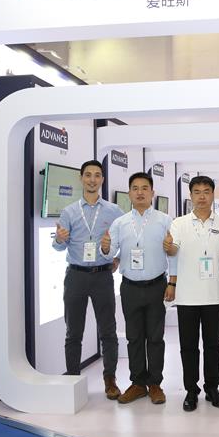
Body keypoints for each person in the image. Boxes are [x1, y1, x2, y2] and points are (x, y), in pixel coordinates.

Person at [101, 172, 176, 405]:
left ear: (152, 193)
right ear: (129, 193)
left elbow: (173, 253)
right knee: (134, 337)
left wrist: (172, 283)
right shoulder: (120, 222)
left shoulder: (165, 220)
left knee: (155, 338)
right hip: (130, 287)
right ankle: (137, 384)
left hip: (157, 285)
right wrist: (105, 248)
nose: (140, 192)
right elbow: (110, 253)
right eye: (135, 188)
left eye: (145, 188)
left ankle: (155, 384)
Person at [52, 159, 124, 400]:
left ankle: (110, 380)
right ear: (81, 178)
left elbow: (126, 238)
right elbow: (58, 246)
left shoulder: (114, 211)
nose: (92, 179)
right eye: (88, 175)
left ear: (102, 179)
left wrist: (118, 258)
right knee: (73, 332)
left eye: (97, 175)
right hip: (76, 276)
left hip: (102, 276)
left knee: (108, 331)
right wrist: (60, 239)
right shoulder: (69, 211)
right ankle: (72, 379)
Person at [165, 176, 219, 412]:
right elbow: (173, 251)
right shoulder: (179, 223)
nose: (202, 196)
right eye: (197, 192)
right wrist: (168, 248)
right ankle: (191, 390)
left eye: (206, 191)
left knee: (212, 345)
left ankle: (212, 388)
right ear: (191, 195)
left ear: (213, 194)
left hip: (214, 294)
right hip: (187, 295)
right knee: (188, 346)